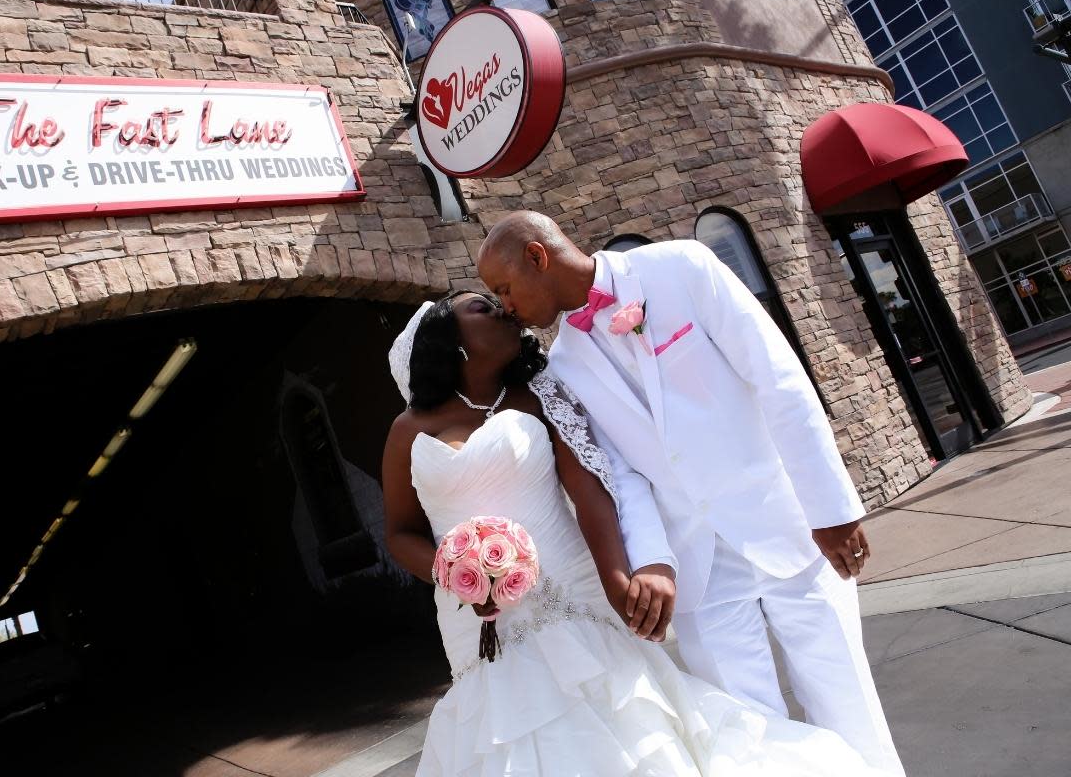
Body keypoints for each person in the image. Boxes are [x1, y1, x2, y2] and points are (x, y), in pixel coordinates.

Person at [381, 291, 894, 775]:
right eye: (481, 306)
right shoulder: (408, 428)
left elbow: (591, 493)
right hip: (469, 613)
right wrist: (453, 569)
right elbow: (401, 532)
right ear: (447, 338)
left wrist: (617, 576)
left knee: (620, 720)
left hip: (567, 589)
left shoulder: (538, 398)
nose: (501, 309)